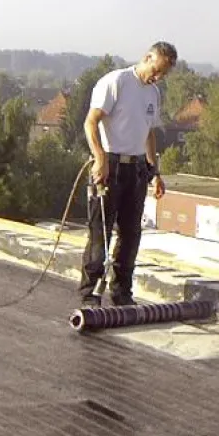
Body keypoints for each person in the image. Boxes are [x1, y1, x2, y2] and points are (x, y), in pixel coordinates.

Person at [78, 41, 175, 307]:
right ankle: (90, 295)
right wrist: (100, 159)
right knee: (102, 233)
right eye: (157, 70)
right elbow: (91, 121)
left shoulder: (153, 93)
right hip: (110, 165)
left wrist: (154, 172)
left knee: (131, 234)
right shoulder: (116, 82)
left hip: (136, 170)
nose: (158, 77)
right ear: (147, 57)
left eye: (164, 74)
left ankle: (122, 293)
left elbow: (149, 133)